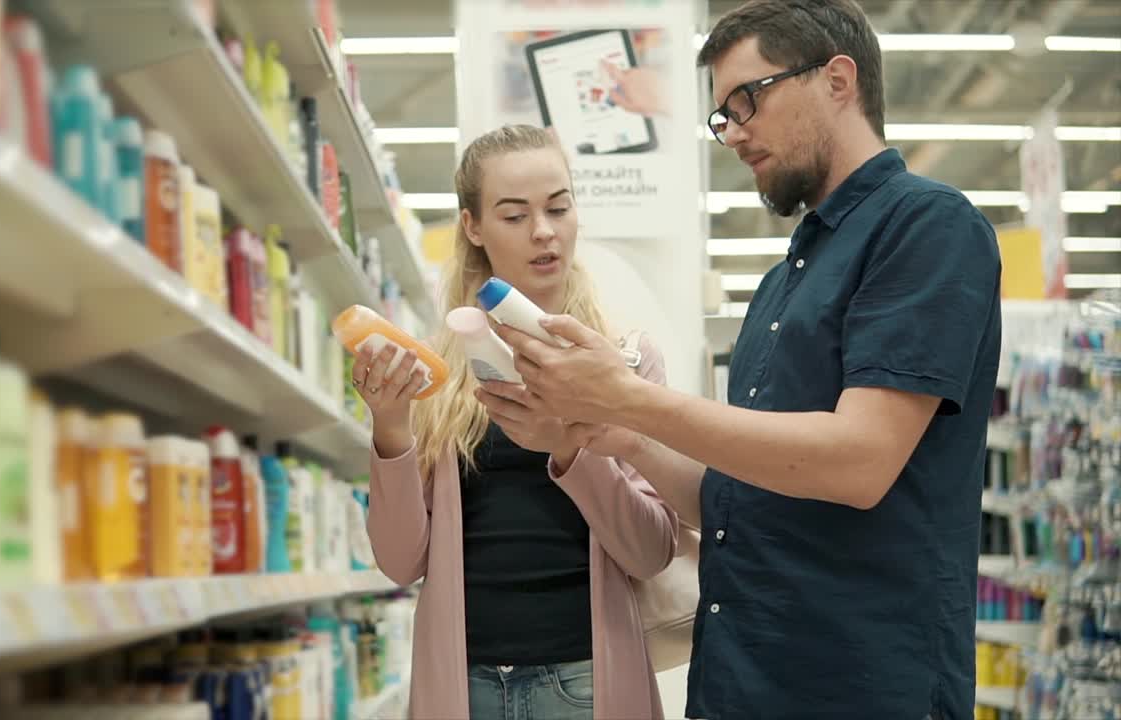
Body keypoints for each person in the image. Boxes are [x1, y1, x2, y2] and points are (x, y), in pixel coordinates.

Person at [483, 1, 1003, 719]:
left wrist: (629, 398)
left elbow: (860, 460)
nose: (733, 134)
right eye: (721, 116)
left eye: (746, 100)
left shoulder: (927, 227)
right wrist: (610, 433)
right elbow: (737, 502)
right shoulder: (781, 282)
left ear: (838, 80)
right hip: (744, 678)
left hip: (862, 684)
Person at [354, 124, 679, 720]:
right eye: (514, 215)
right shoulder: (433, 371)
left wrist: (570, 450)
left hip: (586, 684)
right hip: (465, 687)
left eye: (558, 207)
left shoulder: (624, 361)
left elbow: (650, 549)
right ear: (472, 227)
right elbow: (401, 562)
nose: (544, 232)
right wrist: (391, 428)